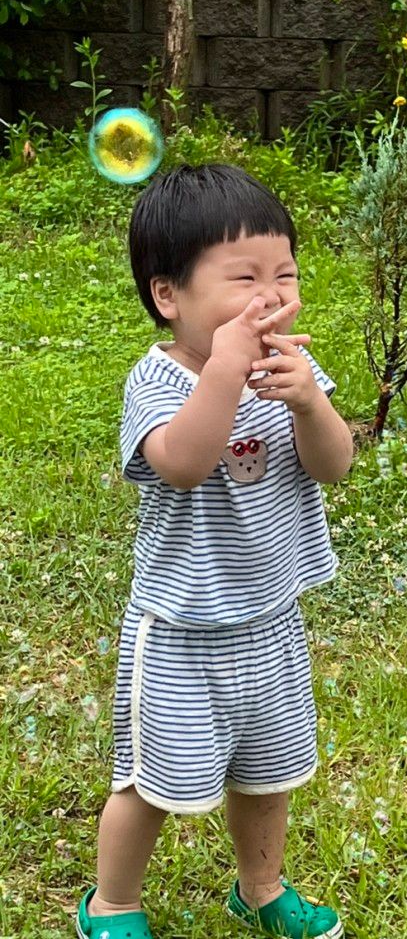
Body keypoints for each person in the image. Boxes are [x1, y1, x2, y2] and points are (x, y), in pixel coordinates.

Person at [75, 164, 353, 939]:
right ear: (170, 295)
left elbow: (334, 464)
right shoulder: (157, 378)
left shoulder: (291, 367)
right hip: (180, 632)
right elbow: (183, 462)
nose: (271, 296)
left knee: (271, 774)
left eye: (285, 274)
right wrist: (228, 371)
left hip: (270, 620)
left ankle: (260, 887)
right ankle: (112, 902)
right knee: (150, 783)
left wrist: (307, 399)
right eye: (243, 278)